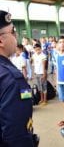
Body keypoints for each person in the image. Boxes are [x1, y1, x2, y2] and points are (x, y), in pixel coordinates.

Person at [0, 10, 34, 146]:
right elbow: (16, 135)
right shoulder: (11, 78)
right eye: (13, 31)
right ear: (1, 40)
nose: (17, 35)